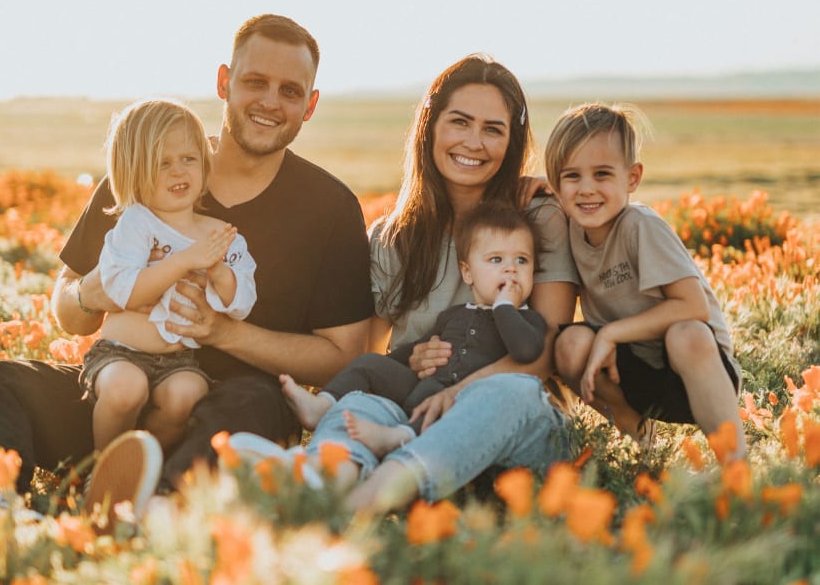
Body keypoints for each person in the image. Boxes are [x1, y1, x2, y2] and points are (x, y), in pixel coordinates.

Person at [0, 15, 374, 519]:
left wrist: (222, 333)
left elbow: (341, 356)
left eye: (290, 91)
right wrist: (93, 294)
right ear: (224, 82)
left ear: (310, 106)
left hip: (227, 411)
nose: (271, 102)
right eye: (255, 82)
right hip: (119, 394)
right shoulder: (150, 168)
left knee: (252, 405)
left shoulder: (329, 207)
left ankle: (152, 507)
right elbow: (69, 308)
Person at [231, 53, 579, 513]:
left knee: (505, 392)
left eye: (493, 129)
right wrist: (409, 359)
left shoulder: (536, 218)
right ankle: (321, 479)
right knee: (362, 402)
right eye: (459, 122)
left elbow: (546, 355)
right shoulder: (394, 237)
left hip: (515, 426)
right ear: (430, 126)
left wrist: (459, 391)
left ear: (511, 141)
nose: (473, 142)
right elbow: (364, 355)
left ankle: (365, 502)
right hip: (414, 415)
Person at [544, 102, 745, 459]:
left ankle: (735, 465)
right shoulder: (570, 228)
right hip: (632, 373)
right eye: (572, 176)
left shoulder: (641, 226)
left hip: (695, 371)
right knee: (569, 343)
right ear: (557, 183)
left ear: (632, 178)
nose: (586, 189)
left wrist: (610, 333)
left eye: (603, 174)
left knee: (687, 333)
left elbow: (693, 307)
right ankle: (643, 443)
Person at [280, 201, 547, 458]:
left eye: (522, 260)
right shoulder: (454, 315)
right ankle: (322, 405)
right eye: (496, 259)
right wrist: (396, 363)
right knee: (369, 363)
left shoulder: (529, 322)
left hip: (463, 402)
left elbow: (525, 351)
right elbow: (414, 348)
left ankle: (398, 437)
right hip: (421, 387)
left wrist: (504, 307)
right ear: (468, 273)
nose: (511, 269)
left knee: (442, 409)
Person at [80, 98, 257, 452]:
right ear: (134, 172)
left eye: (188, 159)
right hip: (120, 352)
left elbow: (242, 303)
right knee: (125, 389)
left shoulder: (220, 233)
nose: (178, 172)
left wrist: (219, 273)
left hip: (179, 360)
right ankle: (102, 467)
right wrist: (185, 260)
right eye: (162, 163)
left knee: (188, 394)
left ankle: (144, 465)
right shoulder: (136, 222)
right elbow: (123, 291)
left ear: (205, 165)